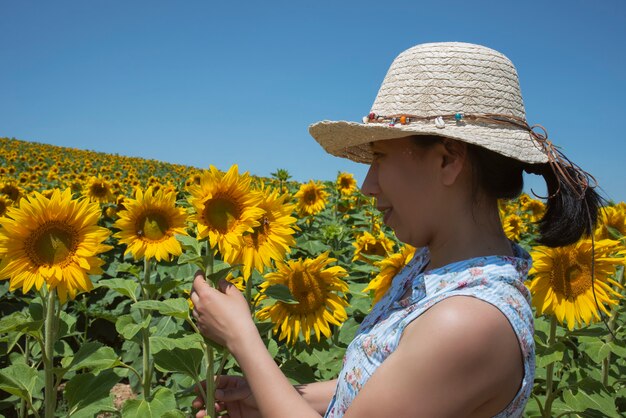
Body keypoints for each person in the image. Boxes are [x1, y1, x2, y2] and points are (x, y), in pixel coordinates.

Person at [190, 42, 601, 417]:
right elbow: (385, 387)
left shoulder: (468, 320)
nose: (368, 185)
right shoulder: (436, 270)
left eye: (381, 156)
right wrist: (275, 394)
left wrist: (242, 338)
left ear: (447, 160)